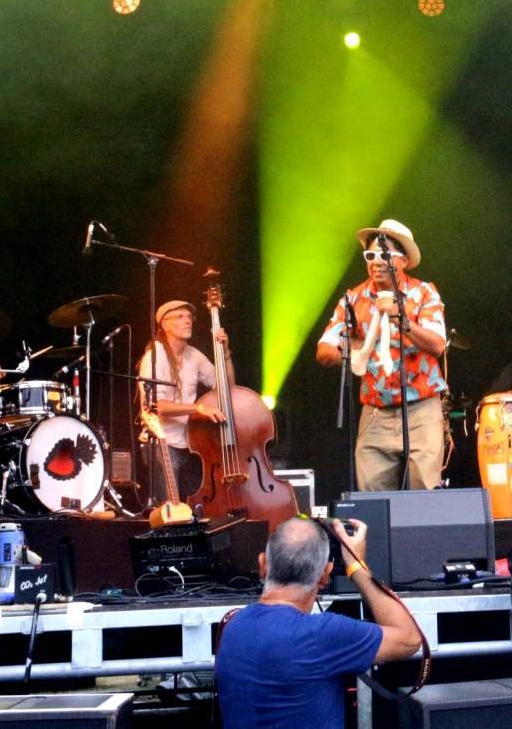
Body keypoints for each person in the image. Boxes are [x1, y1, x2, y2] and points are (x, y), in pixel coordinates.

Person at [216, 516, 422, 729]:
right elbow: (409, 639)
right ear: (325, 575)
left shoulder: (233, 627)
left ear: (262, 565)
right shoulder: (322, 634)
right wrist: (356, 568)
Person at [316, 219, 448, 491]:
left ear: (403, 261)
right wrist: (353, 351)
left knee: (425, 493)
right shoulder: (354, 299)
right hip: (375, 412)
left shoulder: (423, 293)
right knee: (373, 496)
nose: (376, 262)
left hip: (421, 410)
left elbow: (437, 345)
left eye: (384, 255)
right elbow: (325, 349)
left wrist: (402, 319)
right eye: (370, 256)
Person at [137, 300, 228, 502]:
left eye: (189, 317)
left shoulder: (193, 355)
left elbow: (226, 386)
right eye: (180, 317)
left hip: (190, 445)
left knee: (198, 505)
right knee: (171, 508)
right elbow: (158, 406)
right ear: (165, 324)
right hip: (162, 443)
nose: (188, 321)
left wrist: (225, 352)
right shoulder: (155, 356)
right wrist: (198, 408)